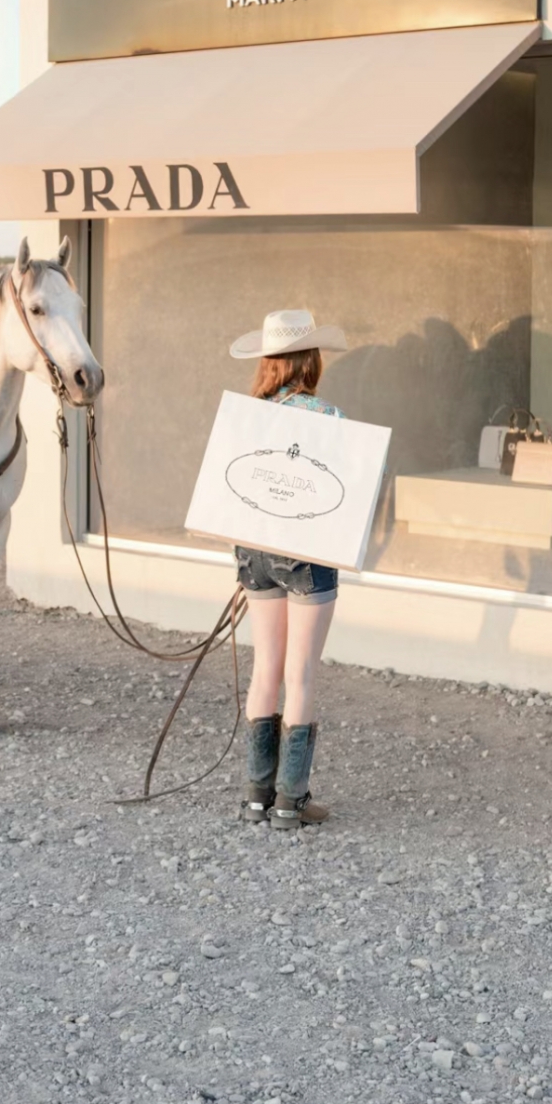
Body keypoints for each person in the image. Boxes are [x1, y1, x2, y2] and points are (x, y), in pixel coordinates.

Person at [229, 308, 348, 830]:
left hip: (254, 552)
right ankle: (290, 803)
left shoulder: (247, 415)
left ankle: (256, 796)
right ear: (311, 359)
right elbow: (355, 482)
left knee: (265, 668)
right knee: (299, 676)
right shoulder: (326, 415)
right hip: (307, 554)